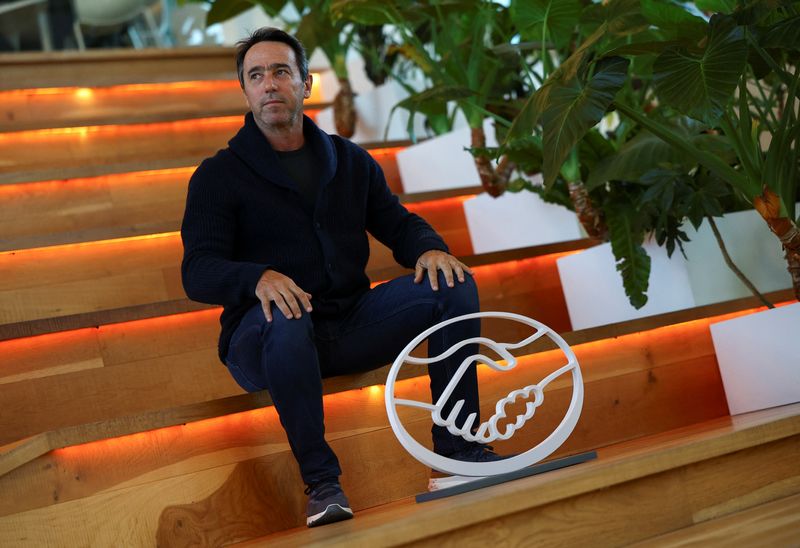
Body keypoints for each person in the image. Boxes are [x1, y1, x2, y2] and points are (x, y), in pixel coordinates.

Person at [181, 27, 502, 529]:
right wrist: (258, 277)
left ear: (306, 84)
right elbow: (197, 270)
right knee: (285, 314)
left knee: (452, 283)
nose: (270, 84)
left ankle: (457, 453)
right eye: (257, 75)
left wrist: (430, 249)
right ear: (244, 91)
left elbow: (397, 223)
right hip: (264, 341)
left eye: (281, 72)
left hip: (348, 325)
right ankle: (322, 483)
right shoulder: (217, 176)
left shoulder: (349, 159)